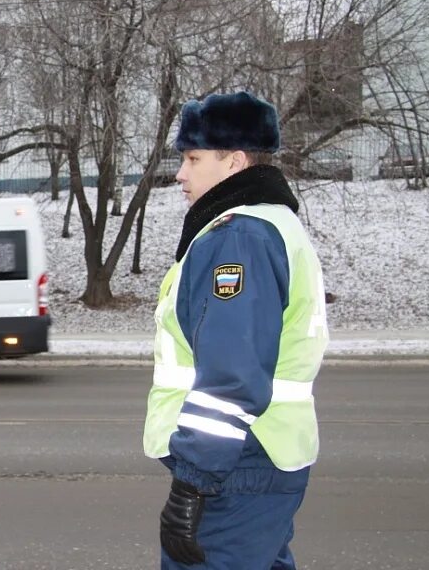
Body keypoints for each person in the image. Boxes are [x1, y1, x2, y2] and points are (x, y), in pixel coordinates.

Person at [143, 92, 328, 569]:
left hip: (236, 463)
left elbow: (232, 372)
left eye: (192, 158)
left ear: (235, 162)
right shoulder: (266, 225)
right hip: (256, 455)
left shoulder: (239, 236)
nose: (181, 173)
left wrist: (193, 479)